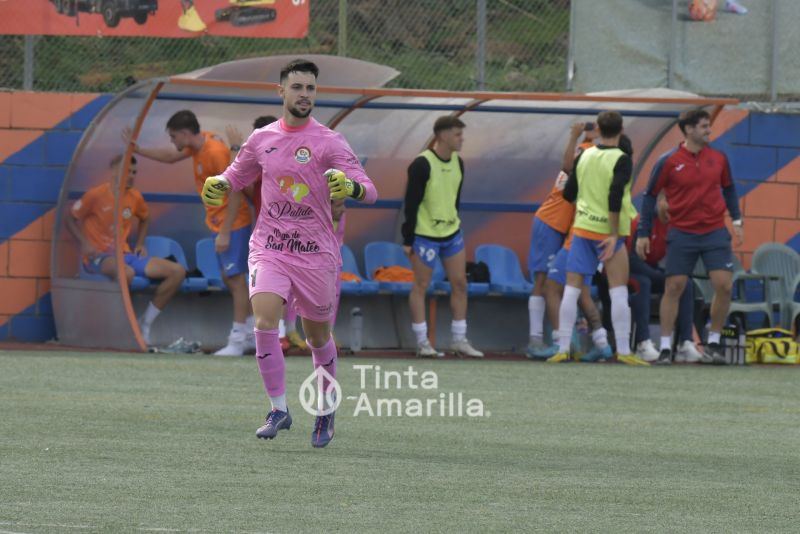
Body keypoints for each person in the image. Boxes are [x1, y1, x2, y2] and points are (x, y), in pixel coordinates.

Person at [201, 59, 377, 448]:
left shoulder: (330, 141)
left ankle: (326, 408)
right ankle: (278, 409)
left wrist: (349, 185)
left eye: (310, 89)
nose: (304, 95)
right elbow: (236, 174)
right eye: (297, 87)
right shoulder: (262, 139)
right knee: (264, 321)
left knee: (317, 337)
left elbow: (369, 188)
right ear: (281, 92)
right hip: (270, 247)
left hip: (316, 254)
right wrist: (219, 184)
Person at [124, 110, 255, 357]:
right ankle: (249, 335)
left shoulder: (215, 152)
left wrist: (226, 231)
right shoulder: (198, 146)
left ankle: (238, 340)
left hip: (233, 223)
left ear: (185, 133)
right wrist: (138, 150)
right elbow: (170, 157)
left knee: (236, 280)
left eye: (173, 137)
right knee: (230, 279)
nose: (172, 142)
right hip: (220, 223)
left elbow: (236, 189)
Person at [636, 108, 743, 365]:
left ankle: (714, 344)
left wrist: (737, 220)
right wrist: (643, 233)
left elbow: (729, 189)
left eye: (708, 125)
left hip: (715, 231)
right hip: (682, 233)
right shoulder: (668, 160)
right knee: (674, 287)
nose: (709, 130)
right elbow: (650, 196)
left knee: (724, 285)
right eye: (704, 126)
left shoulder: (718, 158)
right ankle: (664, 348)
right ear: (689, 130)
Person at [553, 112, 648, 366]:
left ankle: (563, 348)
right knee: (618, 290)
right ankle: (625, 351)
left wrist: (586, 208)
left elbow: (568, 193)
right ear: (621, 129)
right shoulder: (622, 159)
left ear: (598, 129)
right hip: (608, 233)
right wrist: (614, 233)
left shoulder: (585, 154)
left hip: (582, 229)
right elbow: (615, 194)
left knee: (572, 289)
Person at [66, 154, 186, 345]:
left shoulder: (135, 196)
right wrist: (85, 243)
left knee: (177, 272)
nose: (131, 175)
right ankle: (116, 327)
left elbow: (145, 217)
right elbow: (70, 218)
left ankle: (145, 323)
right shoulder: (96, 195)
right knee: (126, 274)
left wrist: (140, 243)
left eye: (134, 172)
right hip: (100, 257)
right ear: (114, 170)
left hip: (126, 255)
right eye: (127, 171)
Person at [401, 116, 483, 359]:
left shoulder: (459, 162)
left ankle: (459, 339)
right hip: (425, 236)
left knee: (460, 283)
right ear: (443, 136)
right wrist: (408, 240)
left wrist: (452, 221)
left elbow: (454, 199)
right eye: (458, 134)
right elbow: (411, 204)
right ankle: (422, 342)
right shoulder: (421, 164)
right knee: (421, 286)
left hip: (452, 233)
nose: (462, 139)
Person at [226, 115, 310, 352]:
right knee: (271, 282)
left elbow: (238, 177)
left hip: (282, 232)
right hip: (269, 230)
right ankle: (278, 334)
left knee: (278, 281)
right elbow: (245, 185)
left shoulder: (277, 161)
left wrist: (235, 149)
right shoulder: (268, 163)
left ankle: (281, 334)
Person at [527, 121, 597, 358]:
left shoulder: (597, 151)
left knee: (569, 284)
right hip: (550, 223)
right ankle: (538, 339)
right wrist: (574, 136)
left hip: (568, 229)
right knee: (544, 280)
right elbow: (567, 167)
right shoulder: (586, 152)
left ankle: (571, 341)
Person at [628, 194, 702, 364]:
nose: (672, 207)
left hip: (652, 270)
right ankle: (642, 344)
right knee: (644, 283)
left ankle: (685, 343)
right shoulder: (641, 222)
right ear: (659, 202)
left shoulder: (675, 226)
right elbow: (632, 261)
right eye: (669, 202)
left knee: (685, 284)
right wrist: (661, 276)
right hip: (630, 271)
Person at [540, 230, 613, 363]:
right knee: (583, 295)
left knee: (551, 288)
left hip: (577, 242)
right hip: (592, 242)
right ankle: (601, 343)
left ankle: (560, 343)